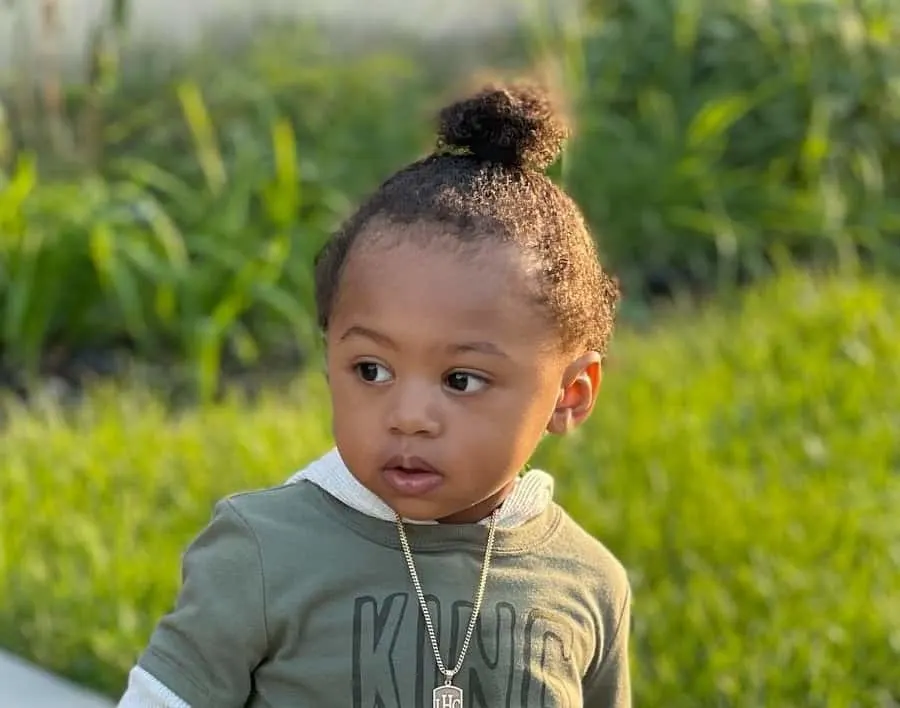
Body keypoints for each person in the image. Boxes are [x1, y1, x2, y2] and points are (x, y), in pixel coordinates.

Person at [117, 77, 631, 708]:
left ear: (570, 395)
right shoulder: (263, 549)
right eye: (371, 371)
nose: (409, 418)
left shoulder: (587, 584)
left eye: (461, 380)